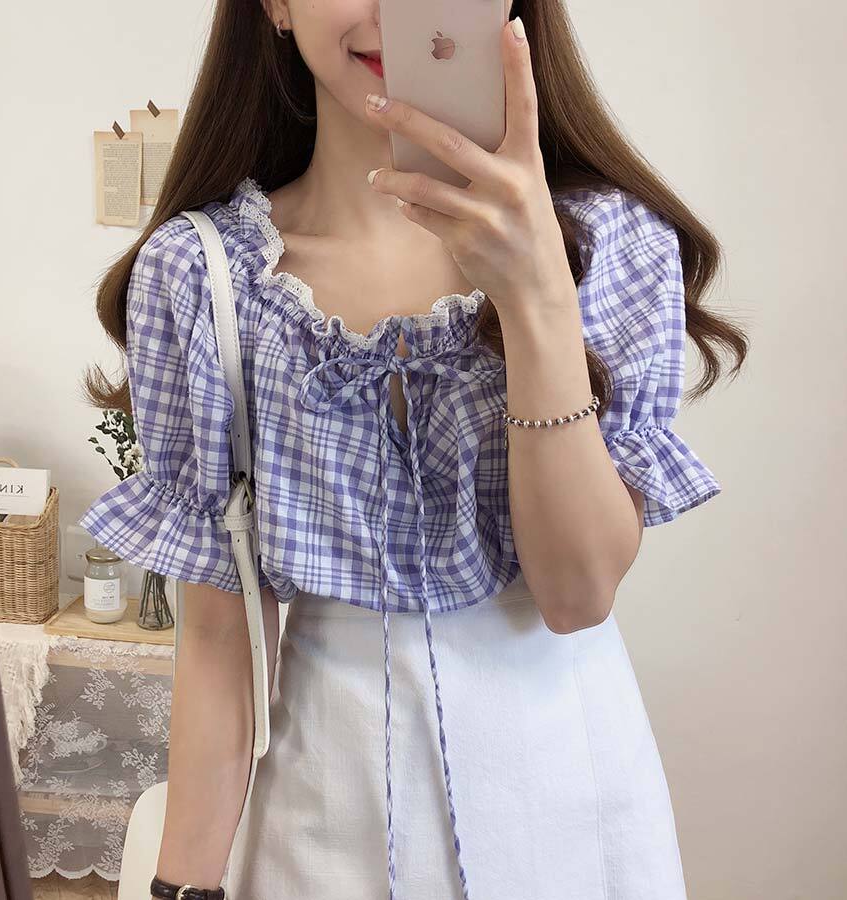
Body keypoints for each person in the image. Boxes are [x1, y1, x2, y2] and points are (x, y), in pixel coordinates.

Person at [80, 2, 748, 898]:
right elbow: (218, 638)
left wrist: (537, 294)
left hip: (569, 804)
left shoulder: (612, 243)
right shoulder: (200, 275)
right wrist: (182, 890)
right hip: (320, 806)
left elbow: (577, 593)